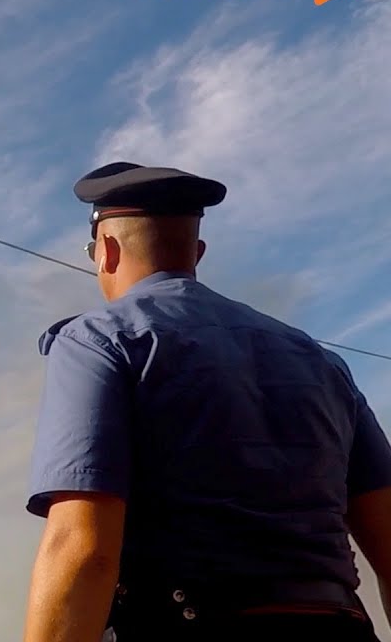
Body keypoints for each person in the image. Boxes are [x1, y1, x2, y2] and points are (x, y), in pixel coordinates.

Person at [20, 161, 391, 642]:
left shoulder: (99, 341)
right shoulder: (322, 362)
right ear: (197, 252)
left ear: (105, 251)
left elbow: (84, 549)